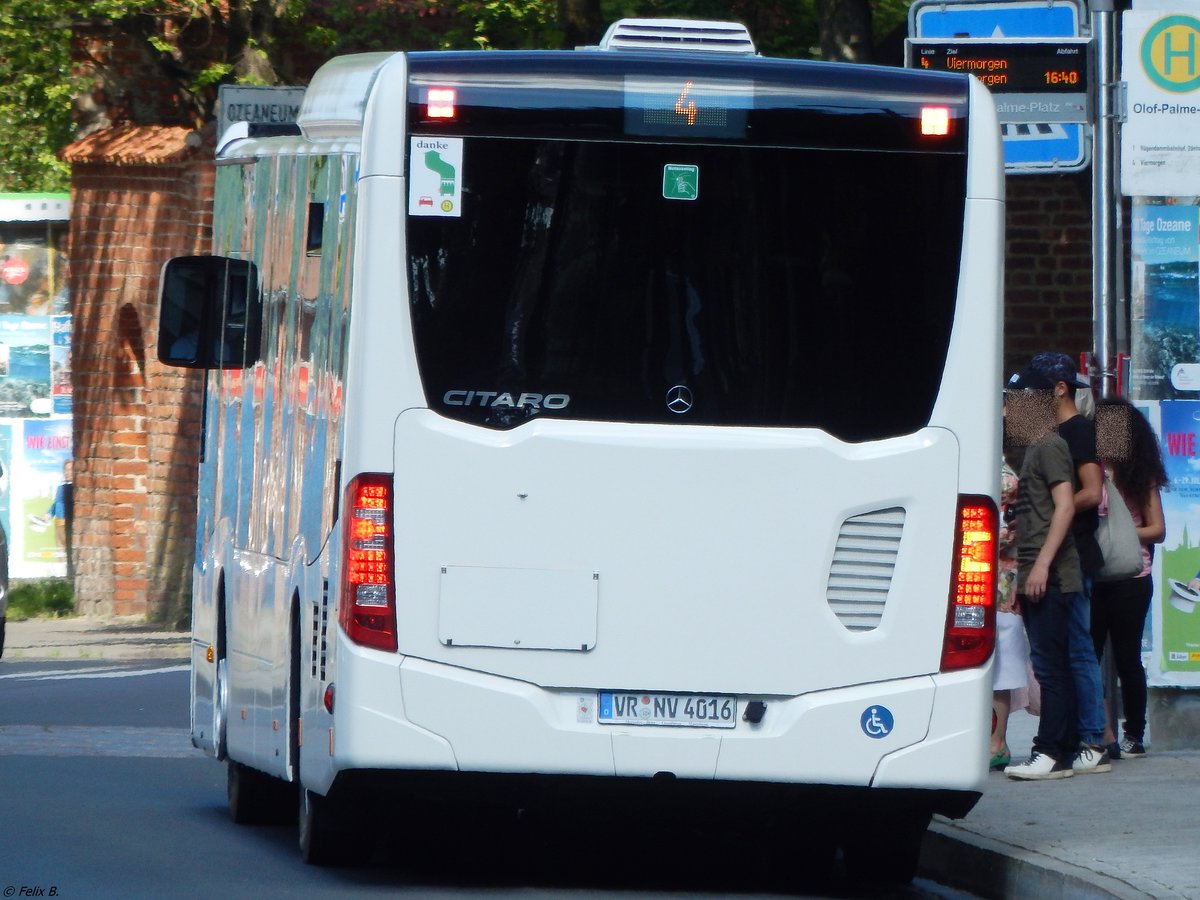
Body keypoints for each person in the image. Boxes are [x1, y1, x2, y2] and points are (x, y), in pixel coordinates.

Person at [1025, 351, 1110, 774]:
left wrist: (1049, 512)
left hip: (1074, 555)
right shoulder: (1050, 435)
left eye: (1037, 389)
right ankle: (1081, 737)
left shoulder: (1077, 431)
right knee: (1064, 651)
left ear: (1060, 388)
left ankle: (1094, 739)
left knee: (1078, 650)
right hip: (1062, 555)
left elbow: (1092, 492)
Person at [1002, 367, 1086, 780]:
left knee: (1052, 666)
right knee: (1053, 662)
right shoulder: (1036, 448)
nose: (1008, 412)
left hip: (1051, 573)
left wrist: (1040, 566)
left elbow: (1067, 506)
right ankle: (1060, 750)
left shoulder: (1049, 445)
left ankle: (1050, 751)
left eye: (1015, 402)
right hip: (1037, 568)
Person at [1093, 399, 1166, 759]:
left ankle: (1133, 733)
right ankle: (1096, 731)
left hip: (1133, 574)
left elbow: (1159, 529)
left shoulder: (1140, 473)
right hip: (1093, 572)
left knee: (1127, 658)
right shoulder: (1091, 468)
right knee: (1087, 655)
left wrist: (1122, 535)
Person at [991, 452, 1030, 770]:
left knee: (1000, 665)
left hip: (1002, 581)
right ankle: (994, 741)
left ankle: (997, 742)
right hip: (990, 581)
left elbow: (1013, 528)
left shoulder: (1007, 475)